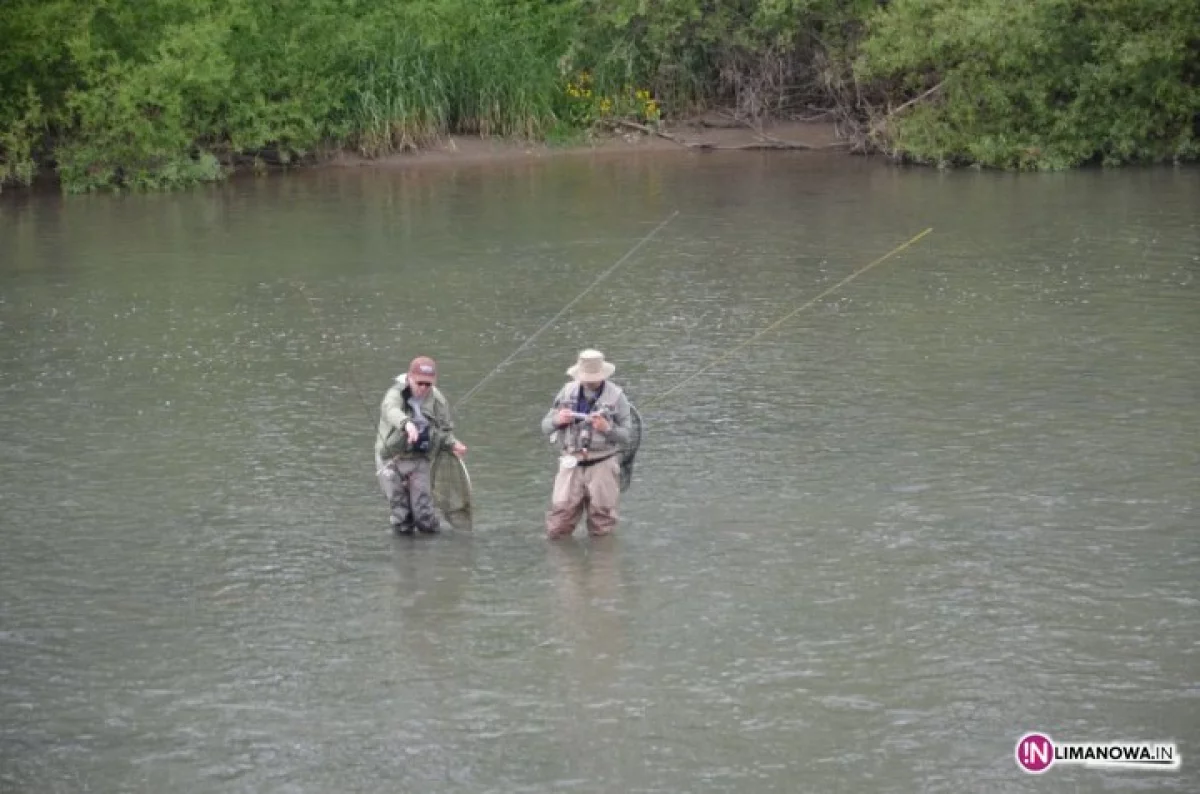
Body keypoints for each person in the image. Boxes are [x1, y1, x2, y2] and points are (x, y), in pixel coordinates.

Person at [541, 349, 632, 539]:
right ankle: (564, 565)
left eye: (594, 378)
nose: (590, 382)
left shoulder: (617, 397)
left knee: (602, 523)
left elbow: (626, 436)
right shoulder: (566, 392)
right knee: (558, 523)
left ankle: (603, 565)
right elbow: (545, 427)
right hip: (571, 463)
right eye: (587, 378)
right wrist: (558, 420)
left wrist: (607, 429)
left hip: (603, 463)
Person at [375, 356, 467, 534]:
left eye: (428, 384)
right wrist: (407, 424)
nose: (424, 388)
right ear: (410, 378)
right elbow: (390, 410)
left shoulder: (437, 400)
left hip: (419, 459)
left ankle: (431, 554)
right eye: (420, 383)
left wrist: (453, 444)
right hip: (391, 459)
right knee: (401, 516)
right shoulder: (395, 394)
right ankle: (405, 555)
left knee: (423, 516)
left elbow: (445, 429)